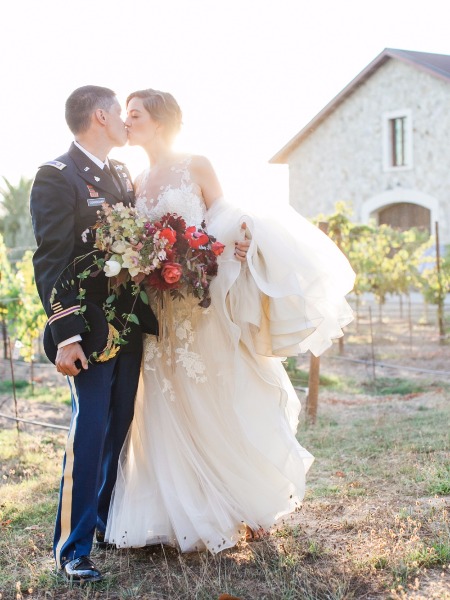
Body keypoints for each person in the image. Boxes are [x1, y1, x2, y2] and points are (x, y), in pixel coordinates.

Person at [104, 88, 356, 554]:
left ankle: (241, 503)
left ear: (157, 120)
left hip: (199, 304)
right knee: (165, 403)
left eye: (134, 113)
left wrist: (241, 240)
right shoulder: (137, 180)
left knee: (215, 394)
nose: (127, 120)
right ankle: (174, 510)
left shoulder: (195, 163)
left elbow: (226, 214)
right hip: (159, 312)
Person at [30, 85, 158, 583]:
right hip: (87, 328)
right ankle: (72, 548)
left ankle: (102, 521)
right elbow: (50, 260)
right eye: (119, 114)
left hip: (128, 323)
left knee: (119, 423)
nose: (126, 123)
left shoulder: (121, 173)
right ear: (101, 116)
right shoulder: (56, 177)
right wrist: (65, 335)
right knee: (90, 431)